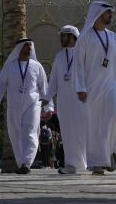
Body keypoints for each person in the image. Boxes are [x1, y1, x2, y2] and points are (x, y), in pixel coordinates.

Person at [74, 1, 116, 175]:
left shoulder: (114, 38)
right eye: (108, 13)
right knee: (95, 126)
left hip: (112, 86)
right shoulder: (85, 37)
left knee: (115, 116)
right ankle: (98, 163)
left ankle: (110, 151)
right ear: (99, 15)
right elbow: (78, 65)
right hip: (92, 89)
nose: (111, 16)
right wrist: (80, 87)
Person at [0, 38, 48, 174]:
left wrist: (48, 104)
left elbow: (43, 85)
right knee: (15, 133)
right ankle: (21, 163)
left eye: (30, 46)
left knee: (30, 132)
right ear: (19, 48)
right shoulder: (10, 66)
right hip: (14, 105)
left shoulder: (37, 66)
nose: (29, 48)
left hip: (33, 104)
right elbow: (1, 83)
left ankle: (26, 163)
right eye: (26, 46)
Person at [44, 25, 87, 175]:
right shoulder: (59, 57)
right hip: (63, 102)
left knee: (79, 133)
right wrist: (47, 97)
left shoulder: (83, 54)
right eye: (61, 36)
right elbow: (54, 80)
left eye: (64, 36)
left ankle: (82, 163)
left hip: (80, 102)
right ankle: (70, 164)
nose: (61, 39)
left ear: (73, 37)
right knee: (67, 134)